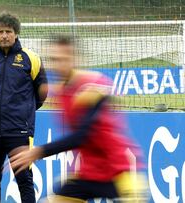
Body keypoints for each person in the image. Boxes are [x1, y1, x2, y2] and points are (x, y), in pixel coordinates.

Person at [10, 35, 148, 203]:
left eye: (64, 59)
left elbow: (83, 135)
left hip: (120, 173)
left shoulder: (92, 87)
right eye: (54, 59)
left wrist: (38, 152)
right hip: (89, 172)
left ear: (75, 59)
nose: (58, 64)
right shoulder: (62, 91)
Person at [0, 13, 48, 203]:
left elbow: (41, 95)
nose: (4, 35)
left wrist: (22, 113)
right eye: (0, 32)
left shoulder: (30, 59)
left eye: (8, 31)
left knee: (24, 182)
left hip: (19, 133)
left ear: (16, 33)